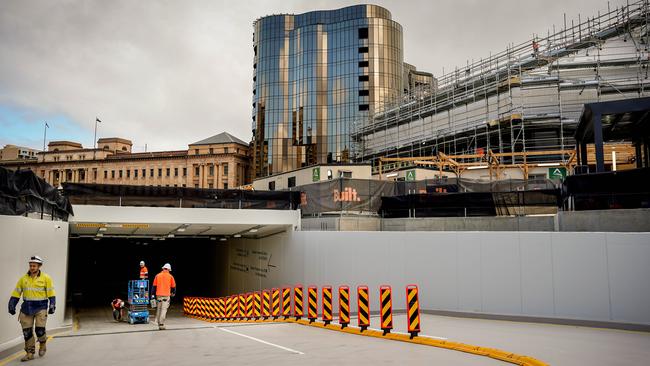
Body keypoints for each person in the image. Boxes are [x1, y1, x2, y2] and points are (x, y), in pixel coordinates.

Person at [7, 256, 56, 362]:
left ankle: (42, 343)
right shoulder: (23, 279)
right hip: (26, 308)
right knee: (27, 332)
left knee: (39, 330)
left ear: (39, 266)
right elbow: (16, 293)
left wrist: (52, 304)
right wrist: (12, 304)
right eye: (30, 265)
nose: (32, 267)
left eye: (34, 265)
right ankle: (30, 353)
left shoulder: (46, 278)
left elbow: (51, 293)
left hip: (41, 307)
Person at [151, 263, 176, 330]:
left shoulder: (157, 275)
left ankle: (158, 322)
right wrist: (173, 293)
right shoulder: (170, 276)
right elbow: (173, 287)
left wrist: (152, 295)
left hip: (158, 295)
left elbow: (154, 287)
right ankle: (161, 324)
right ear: (169, 269)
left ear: (163, 268)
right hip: (166, 296)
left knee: (159, 309)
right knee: (164, 310)